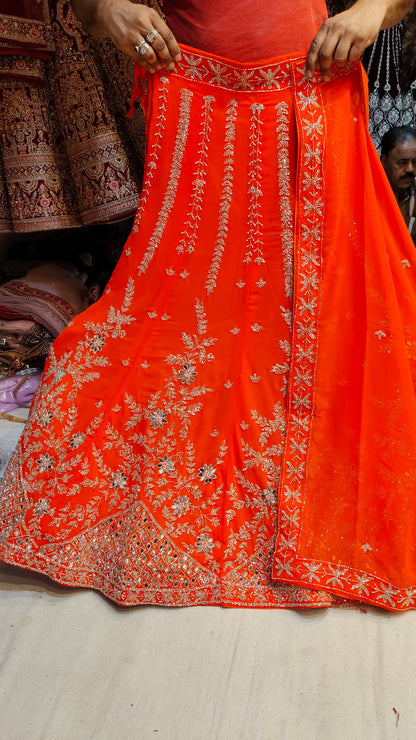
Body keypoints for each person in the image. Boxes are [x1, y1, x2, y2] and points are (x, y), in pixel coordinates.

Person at [1, 0, 416, 611]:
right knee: (169, 327)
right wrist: (107, 8)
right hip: (195, 104)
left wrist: (374, 12)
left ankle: (307, 514)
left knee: (324, 325)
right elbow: (87, 8)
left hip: (311, 96)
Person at [381, 125, 416, 244]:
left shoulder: (413, 192)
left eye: (415, 162)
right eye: (403, 162)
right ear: (385, 161)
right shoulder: (367, 195)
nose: (410, 169)